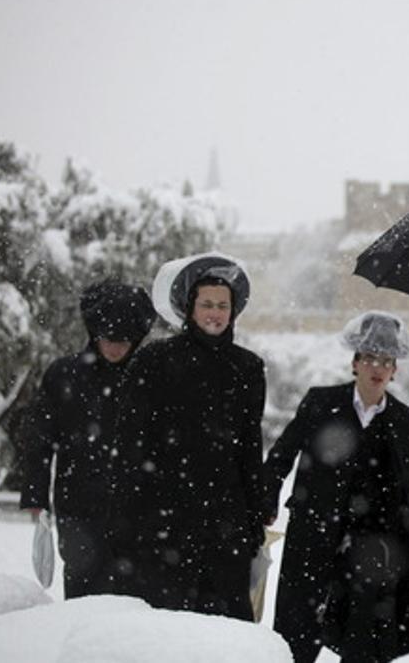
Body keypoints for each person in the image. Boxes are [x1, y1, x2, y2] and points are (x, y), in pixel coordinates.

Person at [263, 311, 409, 663]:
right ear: (355, 362)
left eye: (386, 361)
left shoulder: (404, 421)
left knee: (364, 636)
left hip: (368, 544)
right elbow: (282, 455)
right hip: (313, 533)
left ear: (395, 370)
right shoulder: (321, 402)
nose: (377, 367)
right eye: (370, 357)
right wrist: (267, 499)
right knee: (298, 632)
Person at [108, 253, 266, 620]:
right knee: (166, 631)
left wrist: (253, 517)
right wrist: (125, 519)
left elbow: (248, 446)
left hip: (225, 524)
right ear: (189, 308)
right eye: (207, 304)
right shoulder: (154, 361)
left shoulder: (248, 368)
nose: (215, 313)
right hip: (162, 521)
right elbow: (131, 445)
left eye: (223, 305)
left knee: (224, 633)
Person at [19, 279, 156, 598]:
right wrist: (35, 495)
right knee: (83, 585)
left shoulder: (150, 377)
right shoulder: (63, 375)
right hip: (78, 503)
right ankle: (83, 645)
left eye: (126, 339)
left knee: (134, 597)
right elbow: (39, 439)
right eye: (109, 337)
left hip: (138, 506)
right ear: (94, 331)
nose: (116, 347)